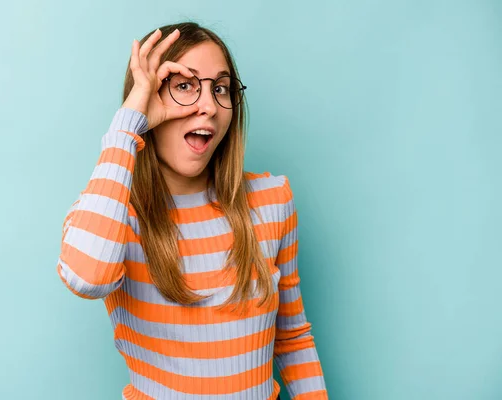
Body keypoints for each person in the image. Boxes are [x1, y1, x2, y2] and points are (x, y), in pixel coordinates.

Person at [56, 21, 328, 400]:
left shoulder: (273, 199)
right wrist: (127, 123)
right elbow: (89, 277)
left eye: (221, 88)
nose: (209, 106)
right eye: (185, 85)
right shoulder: (116, 214)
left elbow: (293, 337)